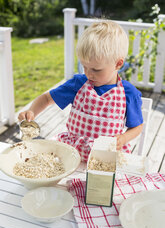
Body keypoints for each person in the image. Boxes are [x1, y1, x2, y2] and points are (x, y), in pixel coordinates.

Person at [18, 20, 143, 162]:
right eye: (84, 66)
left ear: (118, 64)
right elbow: (46, 99)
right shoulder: (78, 84)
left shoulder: (128, 93)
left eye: (96, 69)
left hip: (105, 157)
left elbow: (137, 126)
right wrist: (32, 112)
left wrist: (124, 138)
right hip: (71, 153)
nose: (89, 74)